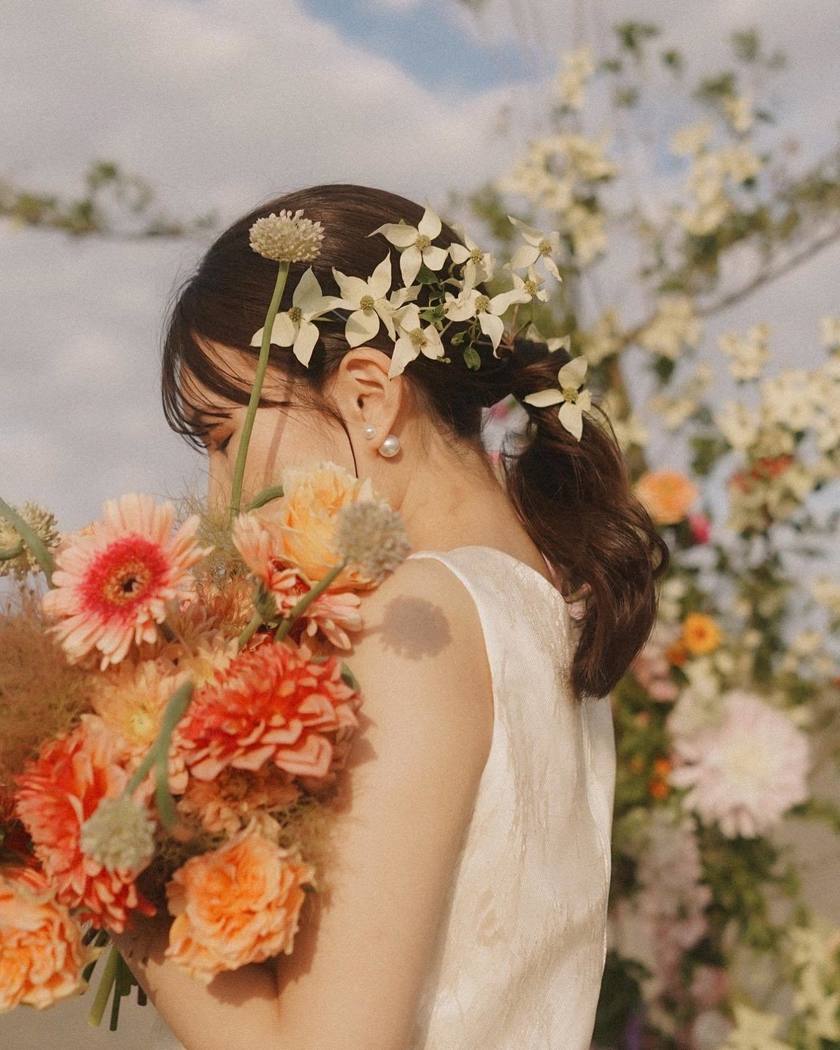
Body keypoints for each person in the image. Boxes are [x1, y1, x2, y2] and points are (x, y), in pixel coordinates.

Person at [111, 183, 669, 1049]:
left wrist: (110, 858)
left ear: (370, 395)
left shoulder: (419, 619)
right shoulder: (545, 605)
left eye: (226, 438)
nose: (216, 506)